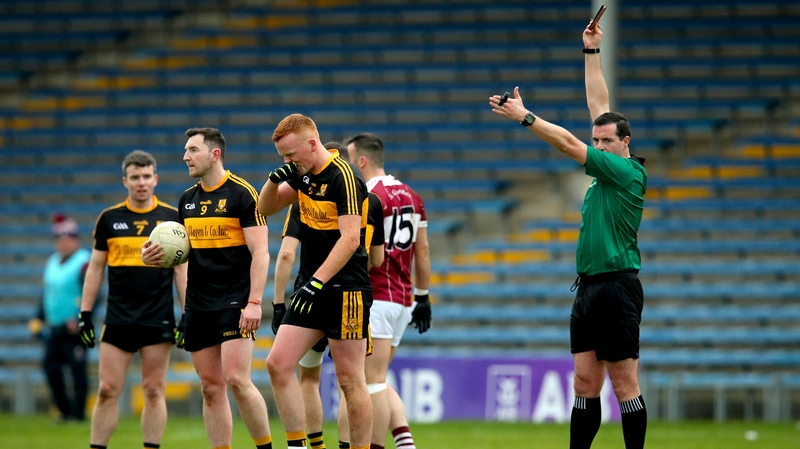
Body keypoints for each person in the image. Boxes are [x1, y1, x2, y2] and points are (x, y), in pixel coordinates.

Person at [488, 15, 648, 449]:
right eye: (598, 142)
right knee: (583, 382)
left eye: (607, 142)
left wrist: (526, 117)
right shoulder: (609, 158)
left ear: (625, 143)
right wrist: (592, 51)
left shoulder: (626, 173)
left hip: (617, 286)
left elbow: (569, 144)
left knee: (624, 384)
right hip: (590, 287)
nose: (599, 146)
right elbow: (600, 104)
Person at [141, 128, 273, 449]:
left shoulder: (244, 195)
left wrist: (255, 302)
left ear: (215, 154)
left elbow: (261, 253)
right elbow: (181, 256)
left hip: (236, 301)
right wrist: (152, 257)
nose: (185, 156)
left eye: (193, 150)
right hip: (199, 305)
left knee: (237, 381)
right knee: (210, 387)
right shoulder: (187, 200)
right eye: (185, 150)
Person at [259, 114, 373, 449]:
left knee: (350, 380)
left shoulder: (345, 177)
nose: (287, 162)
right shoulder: (301, 175)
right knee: (277, 364)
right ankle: (297, 446)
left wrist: (318, 282)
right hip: (312, 288)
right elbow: (265, 209)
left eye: (291, 155)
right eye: (283, 157)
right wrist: (272, 181)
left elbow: (351, 239)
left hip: (345, 290)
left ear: (312, 143)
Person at [76, 150, 187, 449]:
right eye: (135, 177)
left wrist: (187, 314)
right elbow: (96, 269)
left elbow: (181, 270)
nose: (141, 182)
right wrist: (85, 313)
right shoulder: (109, 219)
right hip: (119, 317)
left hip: (157, 315)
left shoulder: (172, 219)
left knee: (153, 390)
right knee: (107, 389)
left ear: (156, 179)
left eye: (147, 176)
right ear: (125, 181)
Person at [346, 133, 431, 449]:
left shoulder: (366, 197)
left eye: (350, 157)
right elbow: (422, 251)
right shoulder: (412, 196)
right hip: (402, 299)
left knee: (370, 383)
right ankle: (405, 442)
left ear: (362, 160)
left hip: (375, 296)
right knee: (377, 378)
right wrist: (423, 297)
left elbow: (366, 253)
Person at [31, 213, 91, 422]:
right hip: (55, 326)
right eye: (60, 239)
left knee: (77, 371)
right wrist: (38, 317)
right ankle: (64, 409)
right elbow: (47, 293)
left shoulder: (84, 261)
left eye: (68, 238)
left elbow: (92, 293)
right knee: (50, 368)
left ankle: (78, 413)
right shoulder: (52, 262)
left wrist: (81, 319)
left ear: (75, 239)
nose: (63, 243)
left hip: (75, 327)